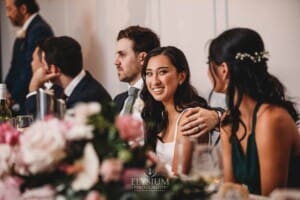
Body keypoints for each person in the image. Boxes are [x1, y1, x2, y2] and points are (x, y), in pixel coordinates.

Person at [207, 27, 300, 195]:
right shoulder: (230, 121)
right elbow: (231, 191)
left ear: (223, 70)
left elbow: (271, 198)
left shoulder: (272, 119)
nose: (207, 72)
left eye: (209, 64)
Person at [141, 46, 211, 175]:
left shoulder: (189, 117)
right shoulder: (157, 115)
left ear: (181, 76)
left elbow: (178, 177)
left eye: (162, 72)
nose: (154, 81)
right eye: (149, 73)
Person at [25, 36, 112, 115]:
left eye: (43, 65)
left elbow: (40, 124)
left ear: (53, 69)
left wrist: (33, 88)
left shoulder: (87, 98)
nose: (41, 70)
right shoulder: (59, 90)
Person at [4, 0, 54, 115]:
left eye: (9, 9)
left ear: (23, 9)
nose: (7, 14)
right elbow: (14, 67)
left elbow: (30, 69)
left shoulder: (39, 29)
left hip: (28, 101)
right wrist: (4, 92)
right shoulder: (27, 29)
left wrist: (12, 98)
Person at [114, 25, 160, 117]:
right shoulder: (117, 100)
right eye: (116, 55)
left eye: (122, 55)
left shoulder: (160, 97)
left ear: (142, 58)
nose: (116, 62)